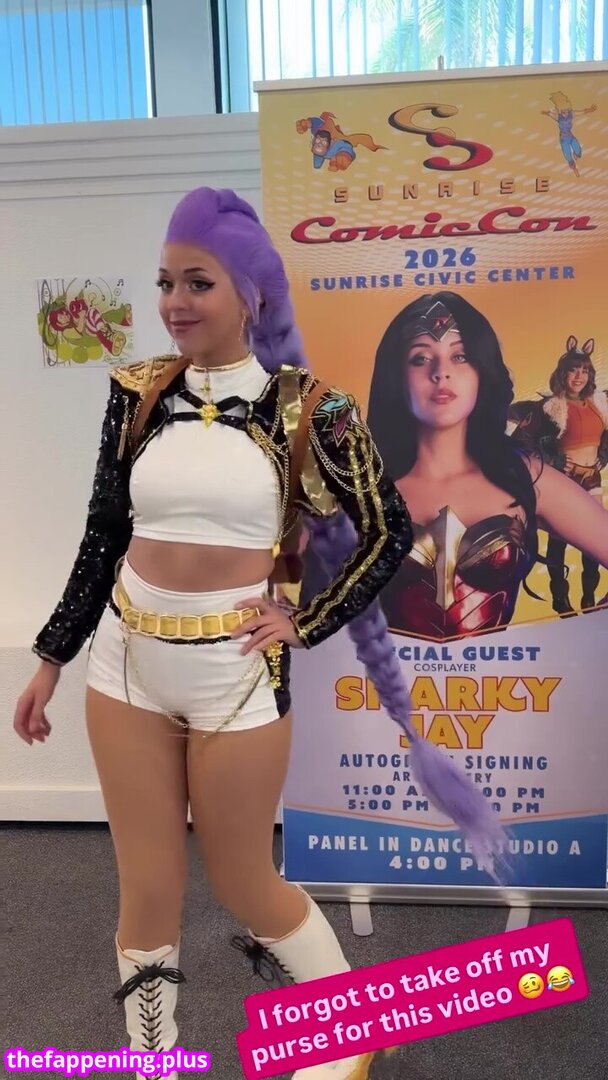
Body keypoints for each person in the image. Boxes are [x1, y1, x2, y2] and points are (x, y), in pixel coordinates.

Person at [13, 187, 414, 1080]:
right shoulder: (136, 393)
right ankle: (153, 1061)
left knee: (241, 880)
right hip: (126, 664)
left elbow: (390, 530)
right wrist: (51, 658)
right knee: (147, 884)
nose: (174, 301)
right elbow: (103, 533)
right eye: (165, 281)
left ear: (252, 293)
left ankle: (348, 1029)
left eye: (198, 282)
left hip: (235, 674)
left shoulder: (313, 409)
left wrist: (305, 621)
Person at [365, 291, 608, 642]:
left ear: (482, 371)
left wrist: (583, 644)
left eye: (460, 356)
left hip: (505, 679)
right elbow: (289, 577)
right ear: (397, 377)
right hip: (374, 678)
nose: (441, 373)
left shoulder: (527, 477)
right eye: (421, 358)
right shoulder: (355, 483)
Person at [509, 336, 607, 614]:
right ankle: (560, 600)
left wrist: (603, 457)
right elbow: (522, 442)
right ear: (563, 374)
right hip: (564, 482)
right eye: (573, 370)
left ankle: (589, 599)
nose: (578, 376)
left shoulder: (600, 404)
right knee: (558, 542)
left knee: (594, 541)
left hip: (591, 479)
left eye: (584, 370)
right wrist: (552, 460)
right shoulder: (549, 408)